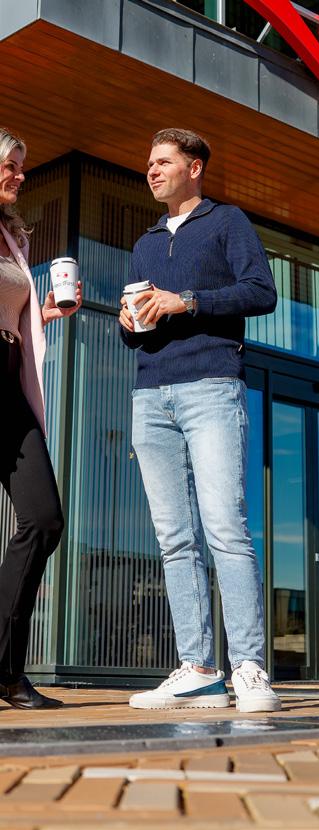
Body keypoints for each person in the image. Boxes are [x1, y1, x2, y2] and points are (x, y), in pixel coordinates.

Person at [119, 128, 280, 712]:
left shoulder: (227, 221)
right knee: (174, 539)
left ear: (194, 167)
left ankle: (250, 668)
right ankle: (198, 670)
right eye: (149, 162)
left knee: (225, 529)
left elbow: (261, 292)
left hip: (212, 386)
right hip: (150, 394)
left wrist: (186, 300)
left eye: (163, 161)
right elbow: (139, 325)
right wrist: (129, 321)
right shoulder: (144, 242)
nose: (151, 170)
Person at [0, 128, 82, 709]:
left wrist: (40, 316)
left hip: (8, 382)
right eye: (10, 165)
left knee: (44, 520)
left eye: (21, 167)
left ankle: (6, 670)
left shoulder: (12, 235)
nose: (20, 175)